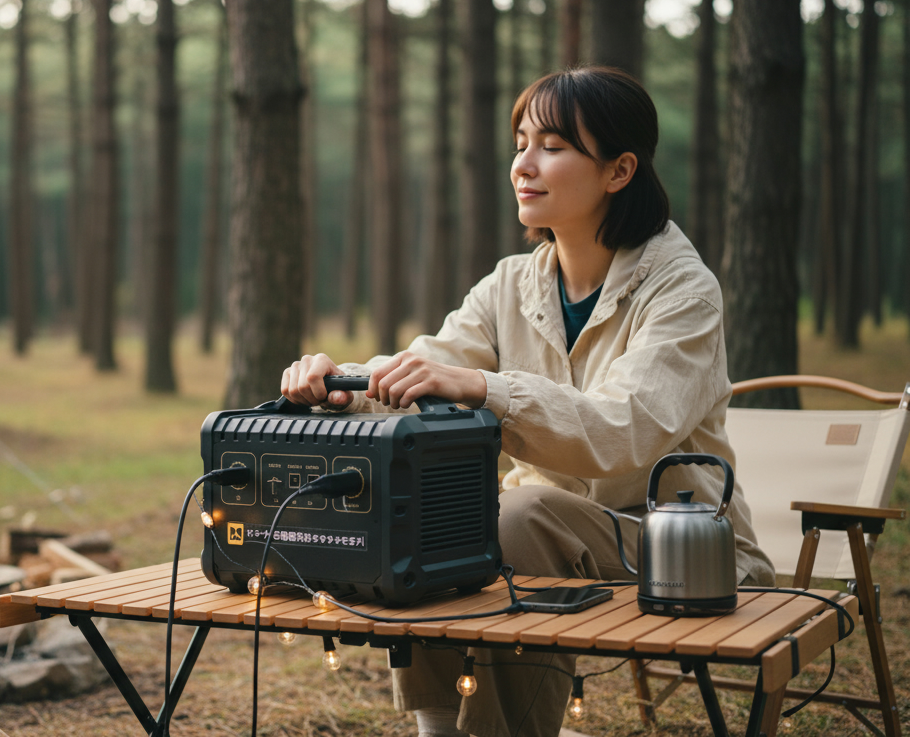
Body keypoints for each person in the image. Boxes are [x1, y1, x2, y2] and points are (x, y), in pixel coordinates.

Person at [280, 67, 775, 737]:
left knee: (521, 509)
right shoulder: (511, 284)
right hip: (540, 541)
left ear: (619, 170)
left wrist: (488, 388)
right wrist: (339, 382)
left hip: (676, 547)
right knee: (448, 508)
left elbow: (622, 431)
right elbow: (426, 368)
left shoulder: (683, 291)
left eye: (552, 145)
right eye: (520, 142)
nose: (524, 164)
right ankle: (439, 728)